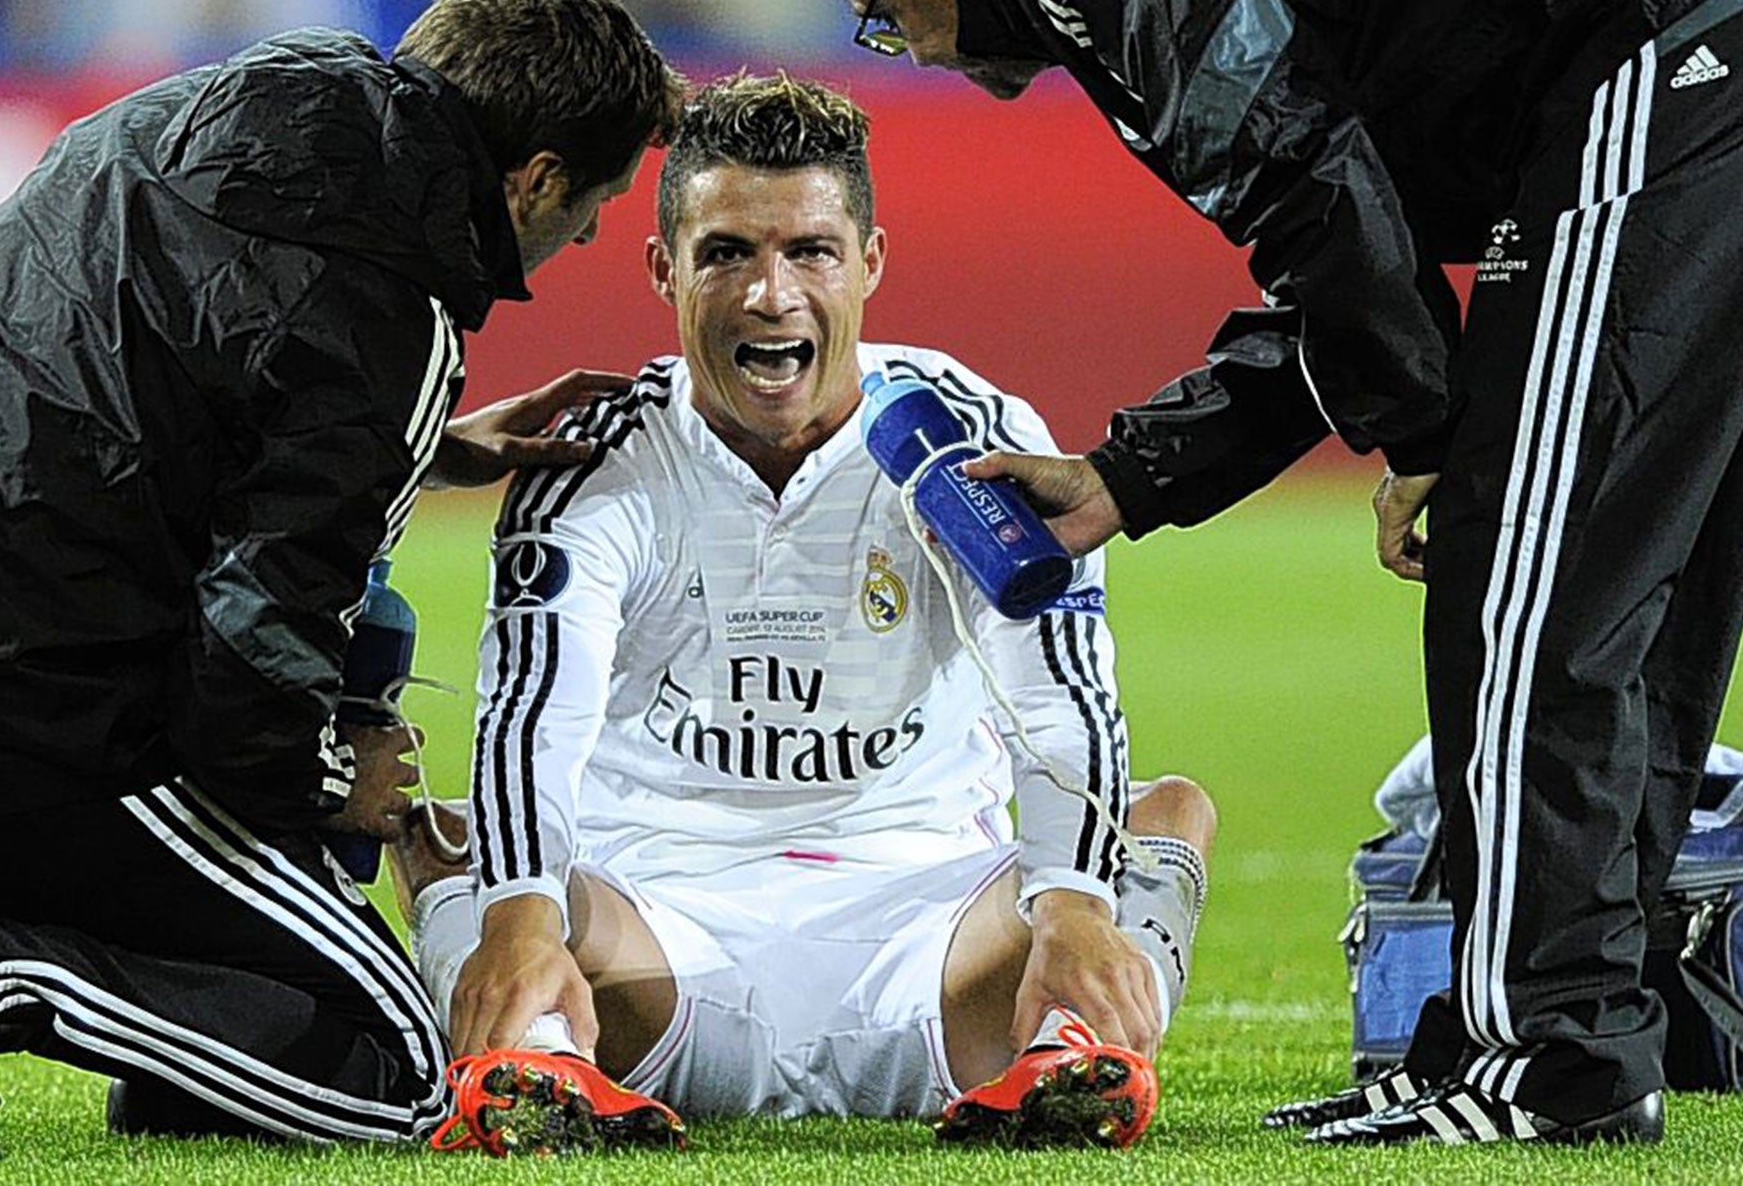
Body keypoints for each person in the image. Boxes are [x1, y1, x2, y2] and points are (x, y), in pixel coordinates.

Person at [783, 0, 1743, 1148]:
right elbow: (1342, 202)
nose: (908, 51)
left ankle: (1542, 1058)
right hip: (1714, 10)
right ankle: (1599, 1012)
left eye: (881, 12)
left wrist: (1425, 437)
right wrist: (1132, 474)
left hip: (1666, 21)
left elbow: (1298, 175)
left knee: (1525, 580)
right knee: (1629, 582)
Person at [0, 0, 683, 1159]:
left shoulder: (213, 109)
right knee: (404, 1062)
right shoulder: (389, 314)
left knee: (266, 922)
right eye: (592, 200)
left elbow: (172, 398)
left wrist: (427, 453)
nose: (589, 229)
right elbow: (254, 651)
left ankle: (185, 1069)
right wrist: (326, 779)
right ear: (536, 176)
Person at [392, 72, 1215, 1155]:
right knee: (461, 846)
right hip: (652, 941)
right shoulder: (594, 460)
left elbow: (1057, 688)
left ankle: (1065, 1051)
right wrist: (527, 920)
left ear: (869, 262)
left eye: (810, 252)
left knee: (1157, 815)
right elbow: (532, 710)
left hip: (935, 942)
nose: (769, 295)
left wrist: (1065, 905)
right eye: (726, 251)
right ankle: (541, 1055)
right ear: (662, 269)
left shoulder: (957, 440)